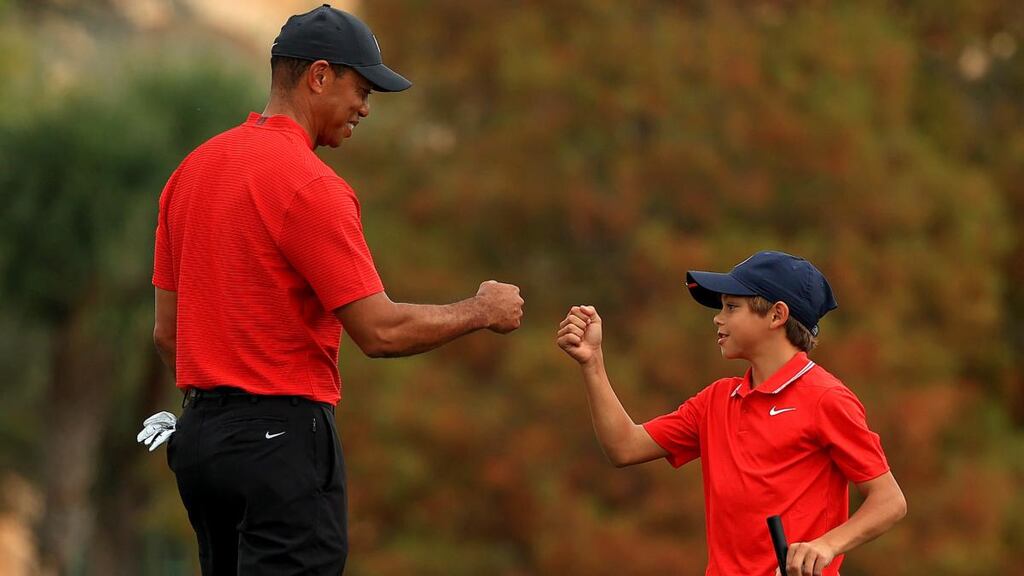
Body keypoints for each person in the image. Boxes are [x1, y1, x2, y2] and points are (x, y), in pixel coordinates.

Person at [139, 5, 523, 575]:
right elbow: (380, 332)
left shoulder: (190, 173)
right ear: (319, 76)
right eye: (361, 89)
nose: (366, 108)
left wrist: (217, 412)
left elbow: (167, 334)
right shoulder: (311, 184)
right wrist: (480, 310)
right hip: (280, 440)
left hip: (199, 444)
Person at [556, 250, 906, 576]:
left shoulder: (826, 398)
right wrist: (592, 362)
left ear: (777, 315)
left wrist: (826, 545)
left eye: (731, 307)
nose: (717, 318)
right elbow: (625, 447)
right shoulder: (716, 400)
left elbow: (889, 500)